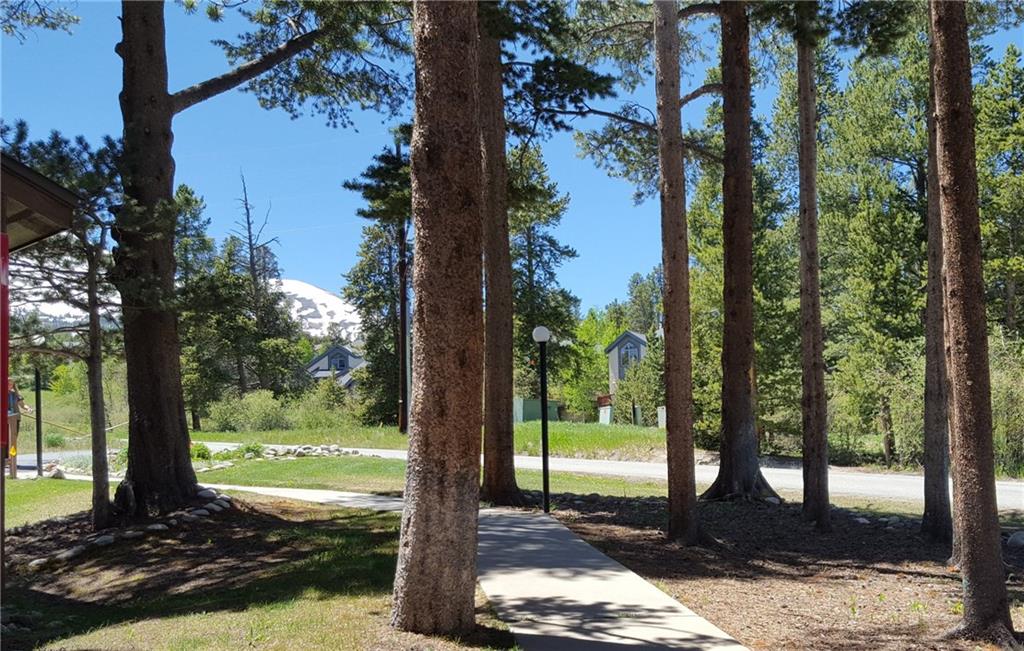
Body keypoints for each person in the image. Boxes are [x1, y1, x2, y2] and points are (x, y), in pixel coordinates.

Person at [8, 380, 30, 479]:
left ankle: (12, 461)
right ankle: (5, 460)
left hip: (15, 419)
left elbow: (22, 405)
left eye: (11, 384)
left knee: (13, 441)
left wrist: (28, 408)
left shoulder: (15, 394)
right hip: (4, 420)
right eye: (8, 383)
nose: (10, 385)